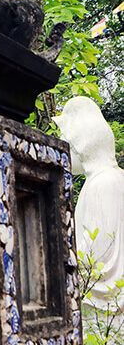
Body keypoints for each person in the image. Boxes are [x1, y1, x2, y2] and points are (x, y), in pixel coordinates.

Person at [54, 96, 124, 313]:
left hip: (105, 309)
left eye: (65, 139)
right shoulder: (113, 177)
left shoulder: (101, 184)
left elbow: (99, 252)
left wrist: (57, 261)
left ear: (79, 141)